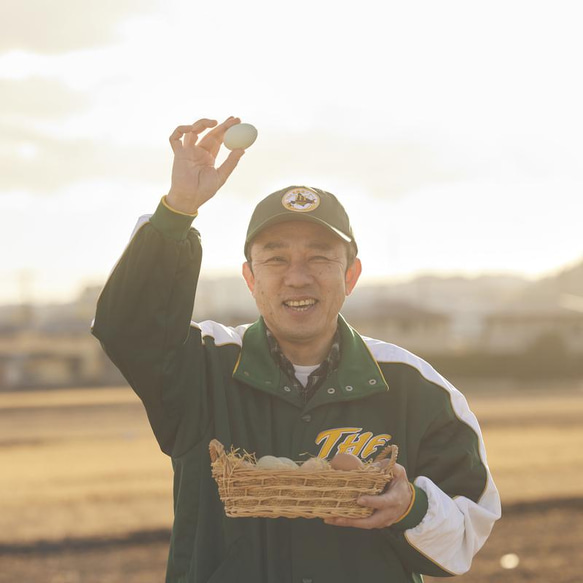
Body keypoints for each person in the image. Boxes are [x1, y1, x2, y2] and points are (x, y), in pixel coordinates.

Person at [92, 116, 501, 583]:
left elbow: (468, 530)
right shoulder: (201, 363)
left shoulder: (415, 387)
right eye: (276, 257)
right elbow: (127, 327)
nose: (298, 276)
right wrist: (179, 208)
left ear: (351, 275)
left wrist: (410, 507)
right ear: (251, 278)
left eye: (320, 257)